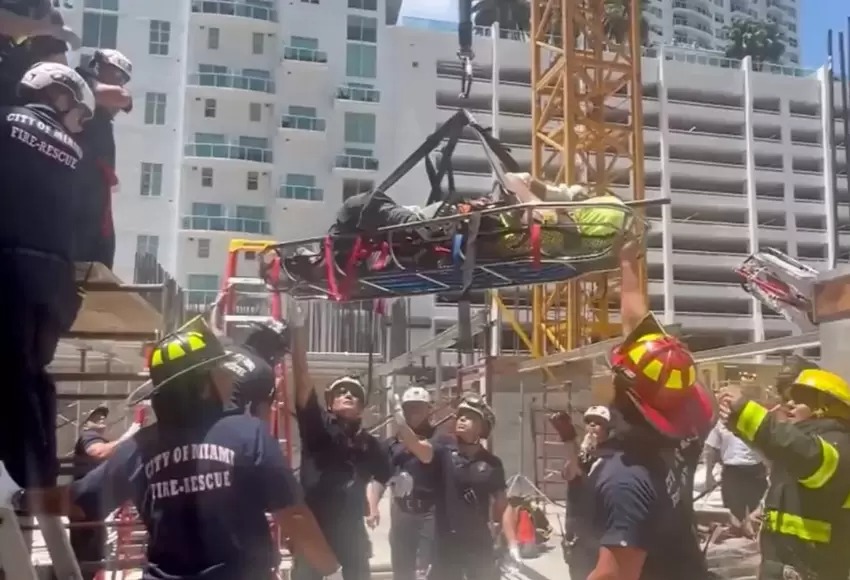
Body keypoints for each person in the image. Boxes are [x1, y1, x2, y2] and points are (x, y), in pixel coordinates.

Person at [1, 316, 345, 580]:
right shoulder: (246, 434)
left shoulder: (139, 448)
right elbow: (294, 515)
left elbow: (74, 502)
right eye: (219, 369)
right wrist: (331, 570)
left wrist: (14, 497)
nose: (229, 376)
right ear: (201, 387)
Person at [564, 240, 717, 580]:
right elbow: (636, 320)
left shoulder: (627, 478)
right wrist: (627, 264)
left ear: (626, 394)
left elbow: (613, 575)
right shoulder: (691, 429)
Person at [0, 61, 93, 495]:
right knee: (30, 371)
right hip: (54, 281)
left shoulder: (6, 121)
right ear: (62, 96)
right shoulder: (76, 155)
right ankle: (35, 470)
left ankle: (22, 471)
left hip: (9, 265)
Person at [290, 306, 392, 580]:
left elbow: (382, 474)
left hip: (352, 532)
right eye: (341, 392)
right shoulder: (317, 427)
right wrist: (298, 329)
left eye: (354, 393)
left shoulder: (369, 444)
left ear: (362, 407)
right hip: (314, 529)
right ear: (330, 403)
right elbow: (301, 377)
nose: (348, 394)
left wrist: (372, 498)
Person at [718, 367, 850, 579]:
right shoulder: (814, 443)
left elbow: (796, 450)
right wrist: (765, 511)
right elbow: (792, 478)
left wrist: (745, 413)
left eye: (799, 399)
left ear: (826, 407)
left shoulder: (839, 445)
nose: (789, 404)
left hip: (812, 569)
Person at [428, 392, 517, 580]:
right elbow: (420, 449)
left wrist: (513, 543)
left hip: (478, 543)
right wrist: (403, 425)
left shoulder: (492, 463)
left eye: (469, 418)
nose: (461, 420)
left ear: (481, 428)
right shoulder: (442, 450)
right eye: (460, 416)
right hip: (446, 543)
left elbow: (503, 505)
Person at [367, 386, 437, 580]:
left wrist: (398, 417)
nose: (414, 412)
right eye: (410, 407)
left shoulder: (439, 440)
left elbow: (422, 452)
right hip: (401, 514)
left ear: (428, 410)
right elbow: (379, 478)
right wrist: (372, 506)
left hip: (429, 515)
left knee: (424, 572)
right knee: (402, 572)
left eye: (419, 407)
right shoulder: (390, 446)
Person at [73, 48, 133, 269]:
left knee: (102, 250)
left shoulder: (104, 118)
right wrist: (118, 98)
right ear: (99, 67)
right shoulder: (80, 80)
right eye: (117, 76)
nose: (120, 83)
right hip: (79, 177)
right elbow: (120, 98)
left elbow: (122, 100)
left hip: (98, 186)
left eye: (123, 79)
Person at [70, 405, 143, 580]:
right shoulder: (88, 436)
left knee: (93, 552)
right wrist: (130, 434)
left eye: (103, 416)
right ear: (86, 424)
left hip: (91, 505)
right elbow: (98, 452)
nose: (102, 418)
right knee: (86, 553)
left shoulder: (99, 439)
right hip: (84, 505)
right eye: (96, 417)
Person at [703, 415, 767, 538]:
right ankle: (739, 533)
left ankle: (754, 537)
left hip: (756, 469)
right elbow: (711, 448)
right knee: (734, 514)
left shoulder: (756, 419)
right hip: (732, 470)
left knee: (758, 513)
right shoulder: (720, 423)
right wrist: (708, 474)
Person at [225, 319, 290, 422]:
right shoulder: (264, 371)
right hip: (223, 423)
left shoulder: (228, 349)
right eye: (280, 354)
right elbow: (261, 419)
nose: (279, 360)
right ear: (272, 350)